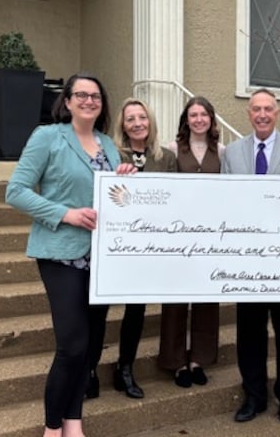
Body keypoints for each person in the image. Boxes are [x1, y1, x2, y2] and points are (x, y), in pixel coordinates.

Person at [6, 73, 137, 437]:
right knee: (72, 344)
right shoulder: (47, 137)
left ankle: (73, 422)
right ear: (66, 101)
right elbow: (15, 191)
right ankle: (52, 428)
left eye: (96, 96)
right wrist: (66, 214)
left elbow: (114, 199)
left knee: (90, 346)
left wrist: (125, 180)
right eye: (81, 94)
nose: (89, 101)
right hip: (60, 254)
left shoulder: (108, 145)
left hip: (101, 258)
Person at [220, 88, 280, 423]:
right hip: (247, 258)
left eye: (268, 109)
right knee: (249, 330)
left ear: (277, 113)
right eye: (256, 109)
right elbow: (224, 197)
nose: (262, 114)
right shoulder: (233, 152)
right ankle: (254, 395)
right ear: (248, 114)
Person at [91, 97, 177, 399]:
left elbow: (174, 199)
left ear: (150, 121)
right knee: (98, 311)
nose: (138, 123)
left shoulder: (166, 158)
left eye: (142, 117)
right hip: (113, 246)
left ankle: (125, 368)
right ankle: (89, 369)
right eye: (131, 119)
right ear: (123, 126)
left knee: (136, 310)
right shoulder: (110, 153)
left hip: (147, 248)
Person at [158, 95, 225, 387]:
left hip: (210, 234)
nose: (199, 120)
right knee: (175, 298)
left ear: (211, 119)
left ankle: (199, 359)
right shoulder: (171, 150)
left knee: (206, 297)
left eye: (203, 115)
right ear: (186, 120)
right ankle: (175, 362)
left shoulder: (222, 151)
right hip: (178, 235)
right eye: (193, 115)